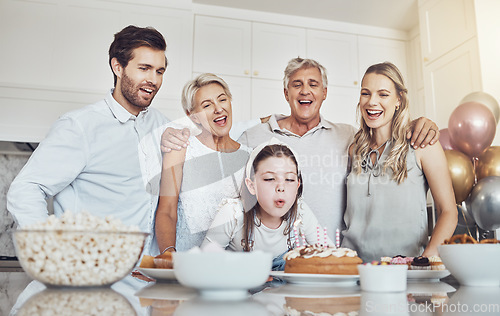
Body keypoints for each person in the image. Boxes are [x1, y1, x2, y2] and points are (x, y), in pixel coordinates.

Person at [161, 57, 440, 241]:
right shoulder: (254, 136)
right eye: (297, 85)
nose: (305, 91)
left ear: (324, 93)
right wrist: (180, 130)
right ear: (286, 94)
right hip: (275, 260)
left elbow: (383, 133)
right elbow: (219, 135)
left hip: (334, 258)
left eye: (313, 84)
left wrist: (418, 122)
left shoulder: (350, 137)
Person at [7, 25, 169, 255]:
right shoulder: (80, 127)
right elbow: (26, 189)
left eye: (159, 71)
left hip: (147, 280)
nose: (153, 80)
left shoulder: (163, 126)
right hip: (92, 279)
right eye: (144, 68)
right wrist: (51, 251)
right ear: (118, 67)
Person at [341, 62, 457, 262]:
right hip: (353, 270)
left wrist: (427, 259)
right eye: (365, 93)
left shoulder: (422, 145)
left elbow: (448, 211)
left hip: (405, 272)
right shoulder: (354, 149)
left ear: (398, 100)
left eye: (383, 94)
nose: (372, 102)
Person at [155, 73, 252, 253]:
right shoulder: (180, 148)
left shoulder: (250, 156)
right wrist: (169, 256)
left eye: (222, 100)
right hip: (186, 264)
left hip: (232, 266)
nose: (218, 109)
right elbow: (167, 210)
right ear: (193, 116)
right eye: (207, 105)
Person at [202, 140, 333, 270]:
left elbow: (334, 258)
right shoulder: (233, 213)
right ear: (251, 186)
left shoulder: (300, 212)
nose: (281, 187)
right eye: (270, 179)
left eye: (289, 179)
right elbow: (203, 265)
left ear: (297, 186)